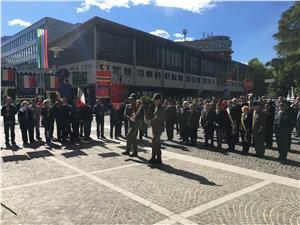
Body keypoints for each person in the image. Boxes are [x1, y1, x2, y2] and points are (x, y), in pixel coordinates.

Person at [149, 93, 166, 164]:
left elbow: (158, 118)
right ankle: (158, 158)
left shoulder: (160, 108)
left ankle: (153, 157)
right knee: (157, 143)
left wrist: (150, 122)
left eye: (155, 100)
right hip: (156, 128)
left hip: (159, 128)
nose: (154, 101)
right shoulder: (157, 107)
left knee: (154, 142)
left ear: (159, 100)